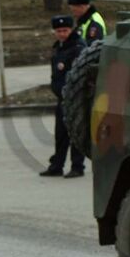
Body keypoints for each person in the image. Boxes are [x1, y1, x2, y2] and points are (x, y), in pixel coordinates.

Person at [41, 15, 86, 178]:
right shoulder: (59, 47)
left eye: (65, 30)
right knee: (60, 133)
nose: (62, 34)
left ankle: (77, 166)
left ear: (71, 30)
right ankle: (57, 165)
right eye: (58, 31)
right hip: (62, 98)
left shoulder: (77, 48)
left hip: (75, 99)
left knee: (76, 133)